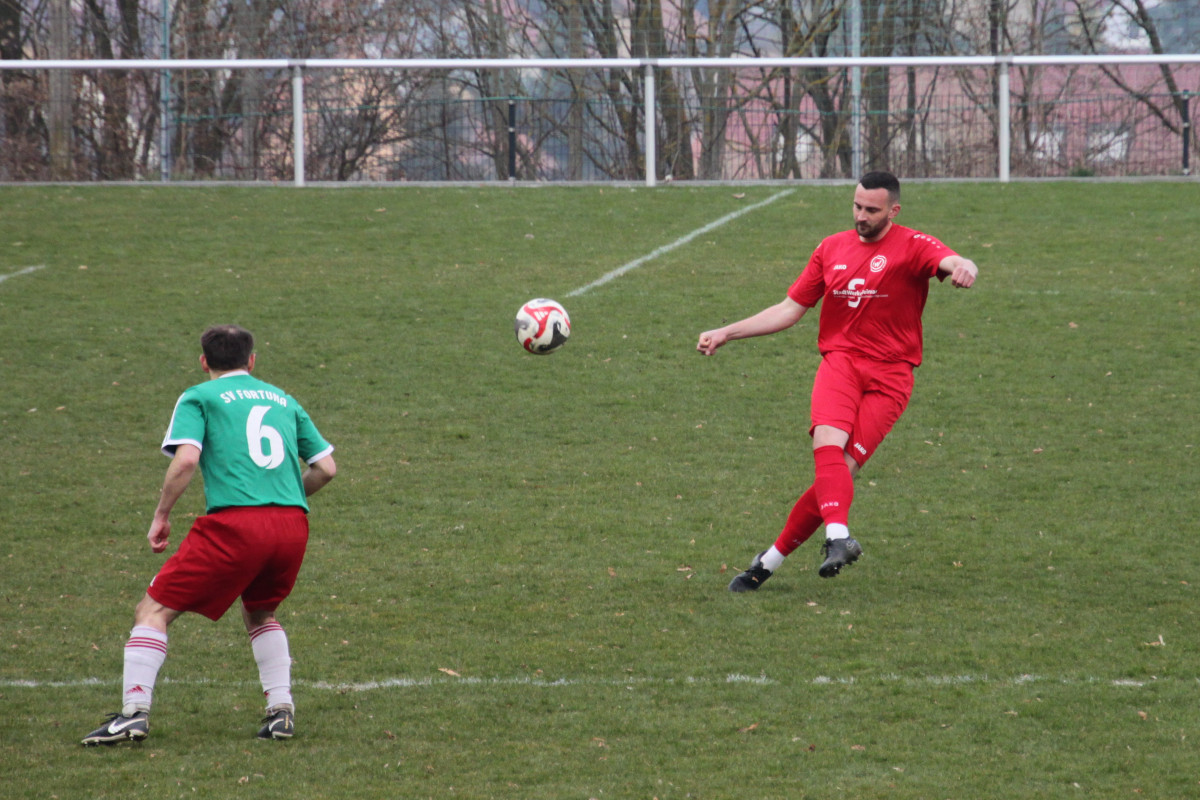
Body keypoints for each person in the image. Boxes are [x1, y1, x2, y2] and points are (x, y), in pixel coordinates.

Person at [697, 171, 977, 591]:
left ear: (893, 211)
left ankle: (767, 562)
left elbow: (953, 260)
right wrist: (726, 332)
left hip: (892, 376)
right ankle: (837, 538)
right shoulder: (831, 248)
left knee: (837, 475)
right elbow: (789, 309)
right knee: (827, 450)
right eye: (857, 205)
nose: (861, 215)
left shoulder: (913, 245)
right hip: (841, 363)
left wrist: (965, 267)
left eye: (871, 209)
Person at [82, 325, 336, 745]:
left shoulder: (200, 397)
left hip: (237, 525)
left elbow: (185, 462)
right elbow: (326, 469)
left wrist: (161, 514)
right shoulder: (284, 400)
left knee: (153, 611)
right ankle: (281, 711)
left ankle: (133, 714)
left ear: (204, 362)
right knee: (260, 612)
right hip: (292, 526)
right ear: (251, 361)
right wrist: (286, 496)